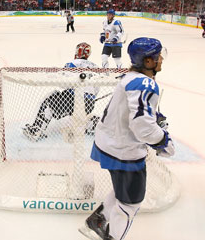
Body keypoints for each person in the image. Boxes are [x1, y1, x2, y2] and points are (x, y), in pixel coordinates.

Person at [80, 37, 174, 240]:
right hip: (124, 151)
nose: (161, 60)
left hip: (109, 143)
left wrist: (154, 119)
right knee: (131, 203)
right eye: (158, 57)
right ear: (148, 62)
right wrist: (163, 141)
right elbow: (142, 126)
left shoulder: (130, 77)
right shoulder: (144, 82)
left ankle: (98, 221)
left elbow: (131, 112)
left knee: (122, 190)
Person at [22, 42, 100, 142]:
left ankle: (36, 130)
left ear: (77, 52)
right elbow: (97, 88)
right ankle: (92, 125)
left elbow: (63, 84)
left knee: (50, 100)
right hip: (89, 102)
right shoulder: (95, 67)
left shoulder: (72, 64)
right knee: (80, 115)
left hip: (71, 98)